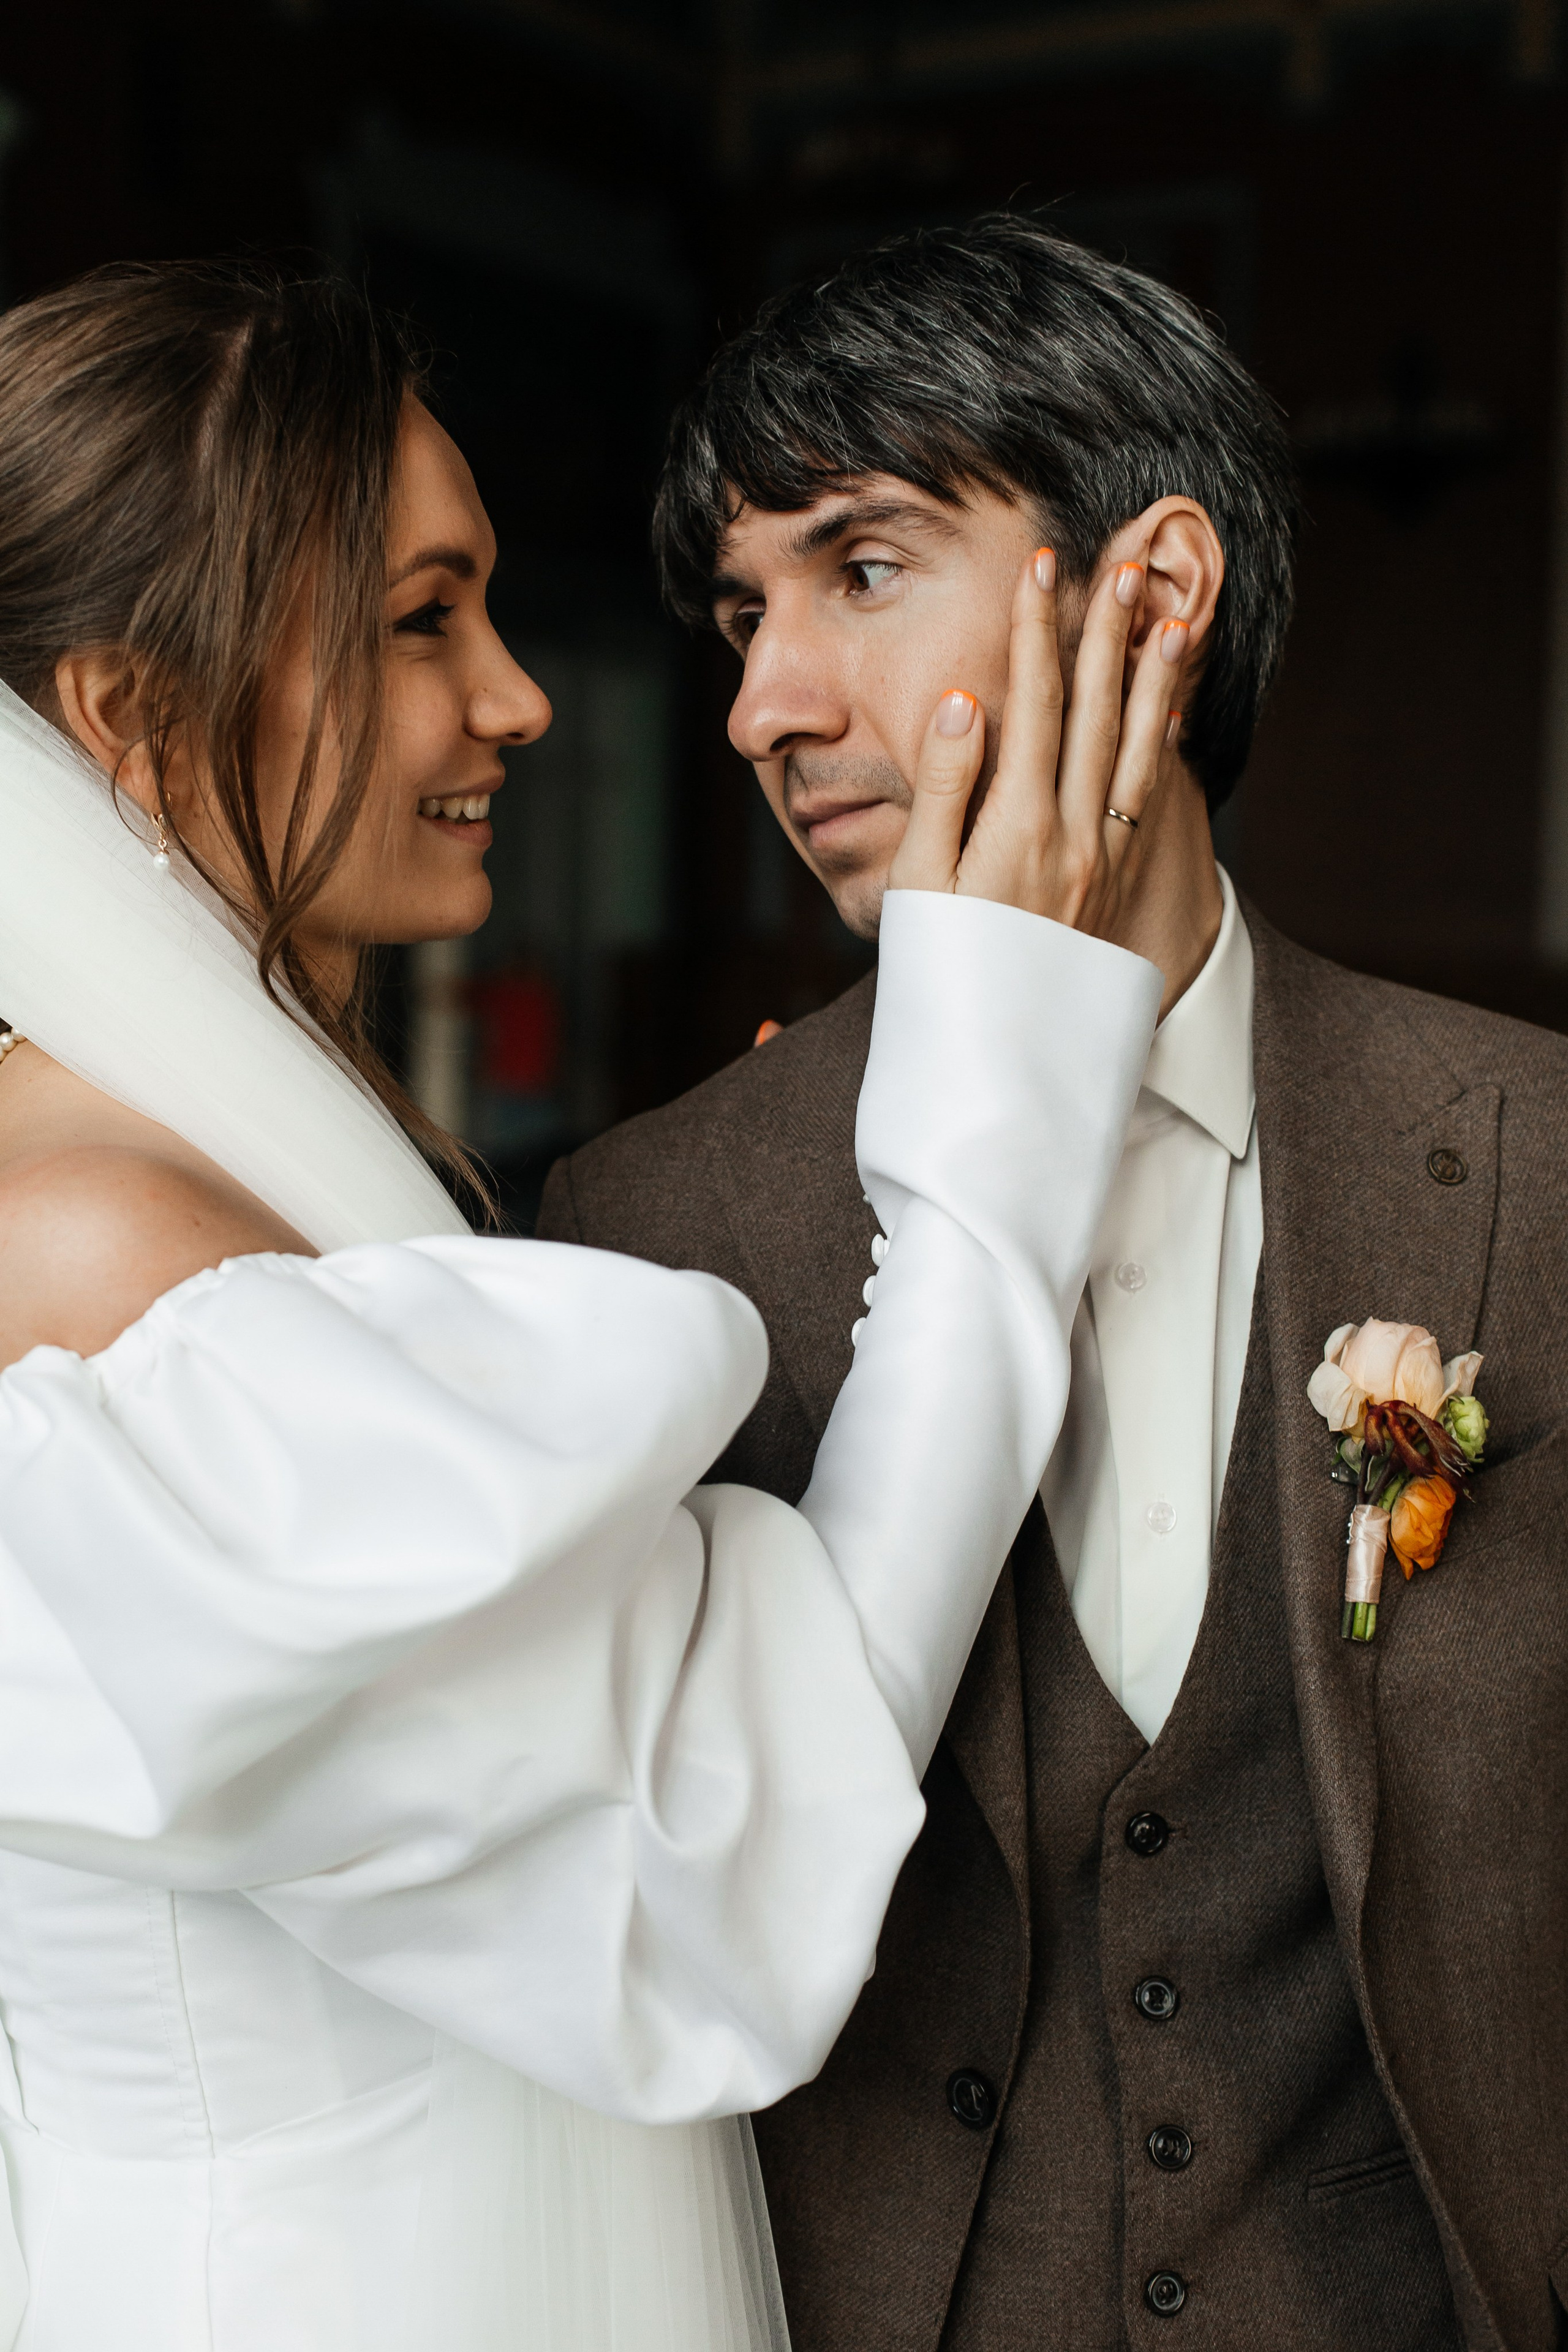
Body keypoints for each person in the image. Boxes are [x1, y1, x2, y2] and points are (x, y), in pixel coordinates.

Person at [0, 260, 1169, 2352]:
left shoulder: (197, 1174)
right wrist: (995, 1127)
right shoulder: (96, 1259)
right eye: (418, 619)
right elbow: (723, 1881)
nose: (520, 699)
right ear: (134, 718)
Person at [539, 214, 1568, 2352]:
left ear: (1155, 597)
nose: (762, 706)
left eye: (862, 566)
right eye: (741, 615)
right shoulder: (655, 1221)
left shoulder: (1535, 1162)